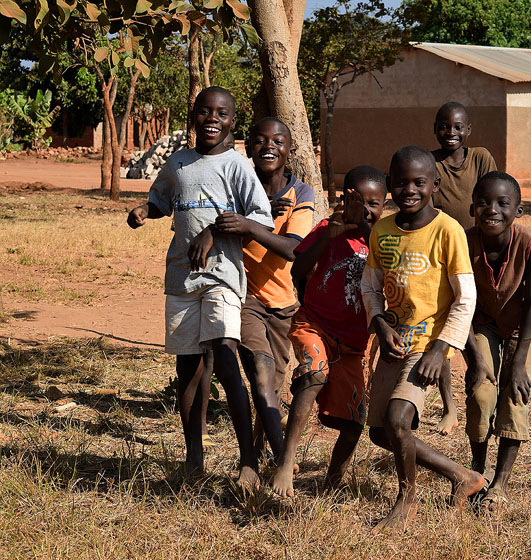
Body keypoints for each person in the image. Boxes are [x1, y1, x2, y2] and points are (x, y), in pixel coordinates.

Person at [126, 86, 273, 492]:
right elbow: (163, 200)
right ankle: (194, 457)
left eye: (221, 114)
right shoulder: (179, 162)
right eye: (204, 112)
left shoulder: (238, 166)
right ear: (193, 116)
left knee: (226, 359)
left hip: (222, 275)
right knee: (188, 368)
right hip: (181, 277)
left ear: (232, 122)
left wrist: (213, 229)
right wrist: (145, 210)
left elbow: (260, 219)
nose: (212, 119)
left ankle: (248, 461)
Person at [361, 146, 485, 532]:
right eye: (400, 182)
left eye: (418, 182)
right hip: (393, 343)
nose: (409, 190)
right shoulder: (382, 229)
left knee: (400, 419)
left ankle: (407, 499)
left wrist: (442, 348)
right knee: (381, 431)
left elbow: (466, 297)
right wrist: (379, 323)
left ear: (434, 183)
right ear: (389, 185)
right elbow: (369, 286)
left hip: (429, 345)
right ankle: (463, 476)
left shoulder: (447, 230)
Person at [271, 165, 387, 497]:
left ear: (384, 204)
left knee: (353, 423)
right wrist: (330, 235)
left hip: (354, 341)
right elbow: (299, 269)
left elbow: (389, 270)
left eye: (373, 204)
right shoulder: (326, 228)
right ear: (341, 199)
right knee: (313, 373)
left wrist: (364, 227)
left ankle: (333, 481)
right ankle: (285, 463)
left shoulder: (384, 237)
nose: (364, 210)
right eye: (357, 201)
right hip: (315, 323)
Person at [213, 117, 314, 469]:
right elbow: (219, 227)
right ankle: (281, 458)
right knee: (260, 373)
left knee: (269, 388)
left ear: (290, 148)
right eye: (260, 139)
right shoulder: (236, 187)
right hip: (245, 298)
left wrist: (250, 225)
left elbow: (290, 249)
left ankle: (254, 460)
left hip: (285, 304)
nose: (268, 146)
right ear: (248, 145)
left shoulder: (300, 193)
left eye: (277, 140)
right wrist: (251, 221)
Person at [463, 171, 531, 508]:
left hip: (521, 327)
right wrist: (475, 359)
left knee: (514, 395)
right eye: (483, 203)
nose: (491, 210)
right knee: (481, 393)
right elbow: (458, 302)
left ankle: (500, 484)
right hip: (479, 324)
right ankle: (476, 473)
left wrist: (520, 361)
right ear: (472, 208)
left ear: (518, 211)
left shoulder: (529, 244)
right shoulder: (464, 243)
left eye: (502, 203)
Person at [429, 101, 497, 435]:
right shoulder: (430, 164)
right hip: (444, 253)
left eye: (458, 127)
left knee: (473, 319)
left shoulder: (481, 157)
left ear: (468, 131)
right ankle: (449, 407)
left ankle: (481, 389)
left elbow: (492, 194)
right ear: (435, 129)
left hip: (477, 250)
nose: (451, 133)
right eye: (444, 126)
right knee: (445, 324)